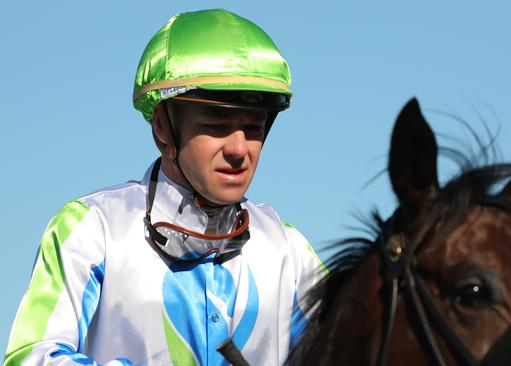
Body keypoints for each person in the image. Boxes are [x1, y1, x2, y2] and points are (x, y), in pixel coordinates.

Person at [4, 8, 324, 366]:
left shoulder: (289, 251)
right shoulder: (91, 228)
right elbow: (31, 357)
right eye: (217, 124)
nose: (239, 149)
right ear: (162, 127)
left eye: (254, 128)